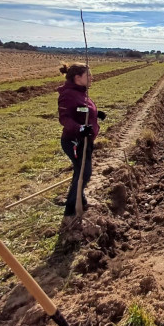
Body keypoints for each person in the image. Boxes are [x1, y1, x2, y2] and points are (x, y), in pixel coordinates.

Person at [58, 63, 105, 225]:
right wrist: (80, 128)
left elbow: (81, 110)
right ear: (77, 78)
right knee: (84, 173)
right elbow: (64, 118)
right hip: (74, 142)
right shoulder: (68, 94)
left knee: (81, 172)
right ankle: (70, 212)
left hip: (86, 140)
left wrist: (96, 114)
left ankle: (81, 201)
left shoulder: (81, 92)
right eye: (88, 75)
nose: (92, 77)